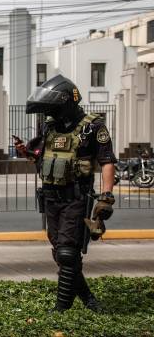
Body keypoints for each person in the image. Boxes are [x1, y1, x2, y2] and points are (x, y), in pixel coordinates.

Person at [16, 74, 116, 312]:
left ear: (66, 103)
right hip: (51, 197)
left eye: (54, 108)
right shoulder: (51, 126)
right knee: (61, 254)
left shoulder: (93, 126)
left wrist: (106, 196)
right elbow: (43, 158)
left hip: (76, 197)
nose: (51, 113)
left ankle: (61, 308)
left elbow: (107, 161)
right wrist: (26, 153)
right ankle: (89, 299)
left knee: (68, 253)